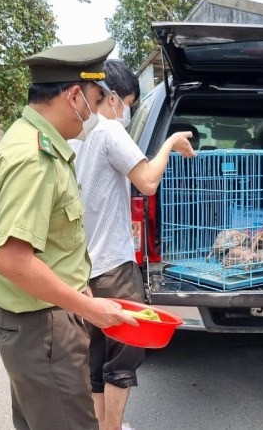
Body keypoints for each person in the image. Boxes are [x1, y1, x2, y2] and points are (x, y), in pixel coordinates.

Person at [0, 39, 137, 430]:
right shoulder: (35, 158)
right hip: (43, 329)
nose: (99, 112)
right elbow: (13, 259)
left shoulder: (35, 142)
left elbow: (48, 244)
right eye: (98, 101)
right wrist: (91, 309)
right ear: (75, 95)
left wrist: (80, 292)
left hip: (39, 323)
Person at [69, 59, 195, 430]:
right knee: (123, 357)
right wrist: (171, 142)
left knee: (96, 355)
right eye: (129, 102)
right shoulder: (110, 130)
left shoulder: (76, 135)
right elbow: (148, 182)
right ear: (111, 97)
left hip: (84, 267)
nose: (128, 111)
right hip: (115, 267)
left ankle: (102, 426)